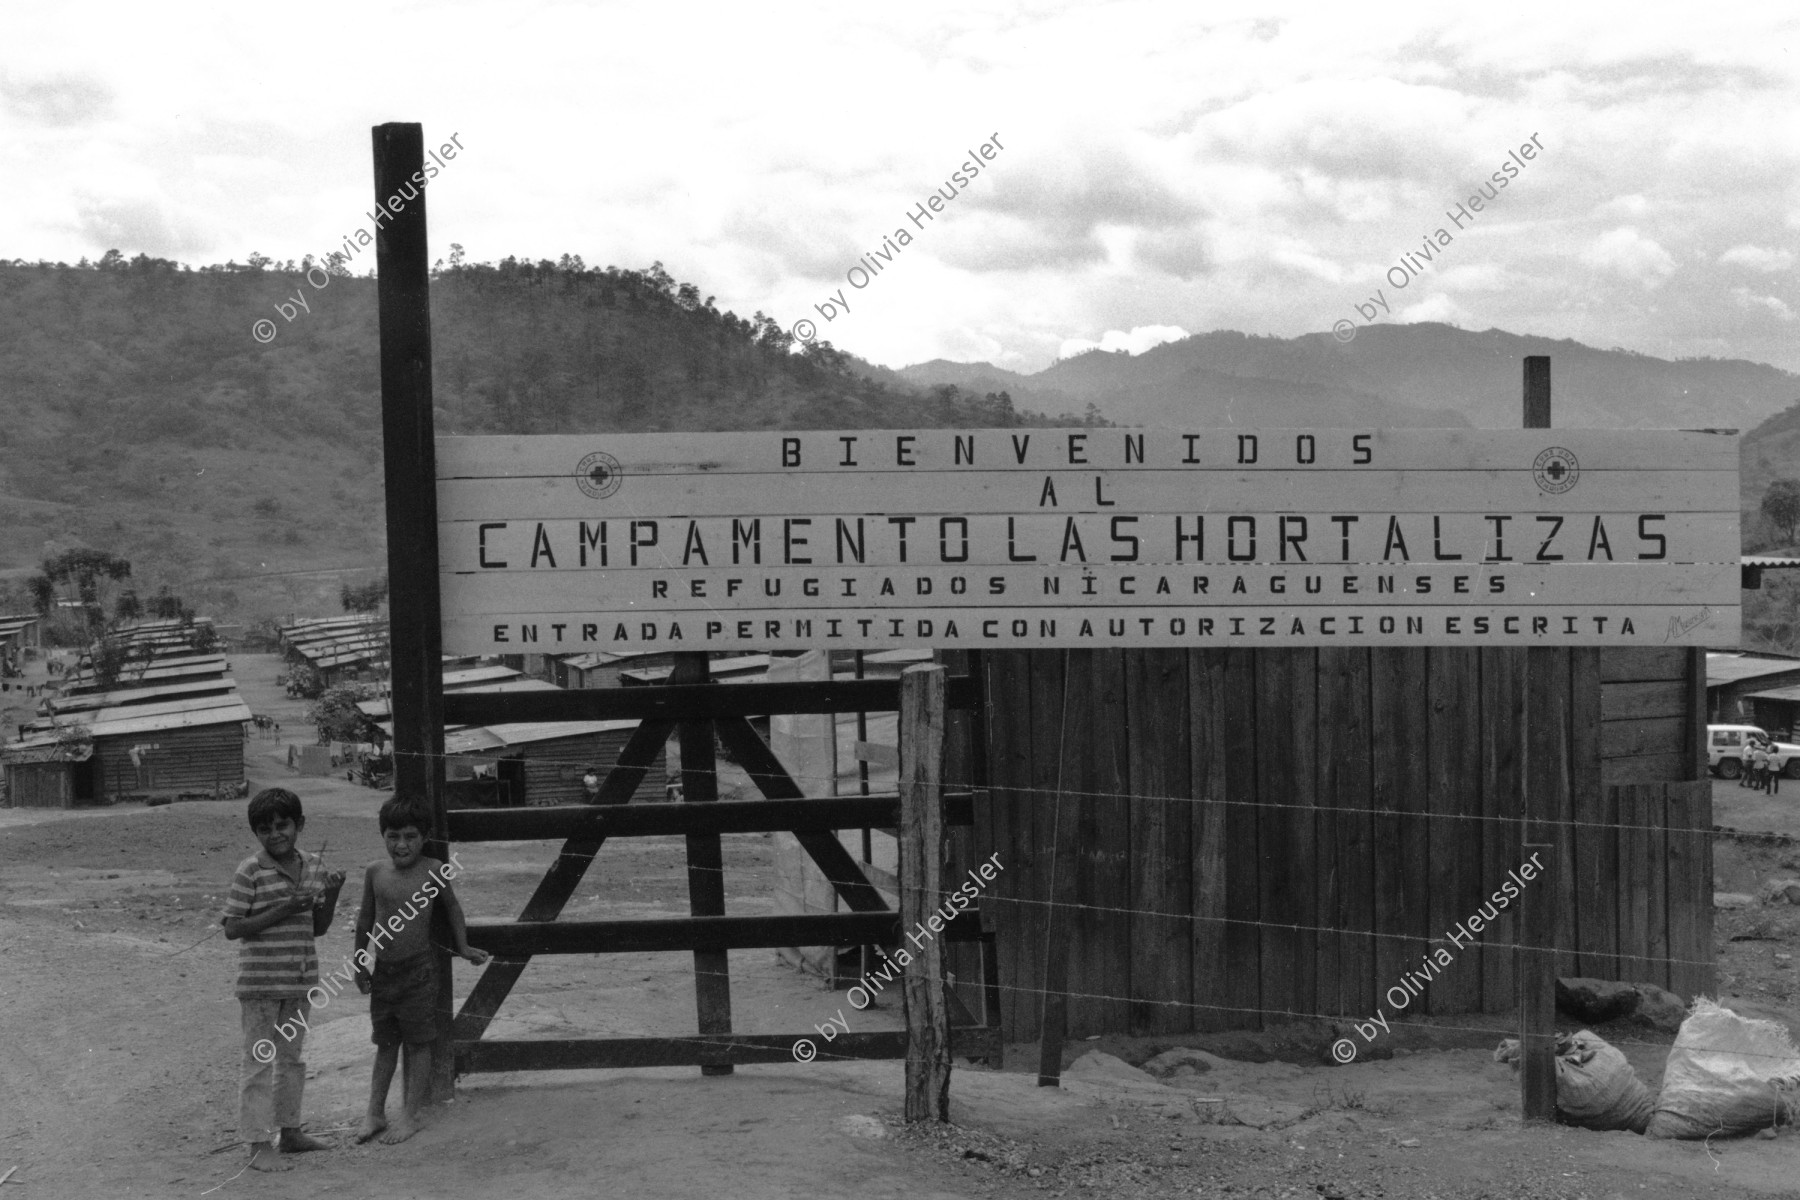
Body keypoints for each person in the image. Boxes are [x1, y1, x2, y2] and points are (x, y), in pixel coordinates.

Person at [221, 787, 346, 1172]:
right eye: (265, 829)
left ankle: (290, 1132)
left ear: (299, 825)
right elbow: (233, 928)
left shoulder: (313, 866)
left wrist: (334, 893)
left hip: (300, 980)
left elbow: (318, 929)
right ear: (256, 834)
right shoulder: (250, 870)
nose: (276, 834)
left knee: (291, 1061)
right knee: (258, 1062)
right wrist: (285, 907)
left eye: (283, 825)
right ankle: (258, 1144)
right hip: (260, 985)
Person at [353, 797, 489, 1145]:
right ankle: (375, 1113)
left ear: (424, 836)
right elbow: (366, 919)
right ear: (382, 835)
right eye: (393, 835)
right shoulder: (374, 872)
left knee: (418, 1044)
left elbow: (453, 907)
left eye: (411, 836)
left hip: (420, 972)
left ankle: (411, 1115)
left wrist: (463, 946)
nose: (402, 845)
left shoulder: (433, 869)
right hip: (384, 972)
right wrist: (359, 961)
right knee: (385, 1044)